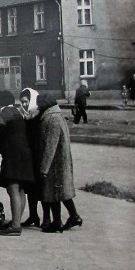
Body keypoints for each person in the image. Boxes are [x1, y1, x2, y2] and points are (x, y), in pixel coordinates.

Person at [0, 90, 35, 236]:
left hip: (14, 156)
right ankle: (16, 221)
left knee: (13, 188)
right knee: (20, 189)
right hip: (24, 155)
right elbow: (8, 133)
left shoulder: (6, 112)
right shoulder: (16, 112)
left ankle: (16, 225)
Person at [36, 94, 83, 233]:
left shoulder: (51, 119)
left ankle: (57, 222)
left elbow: (50, 145)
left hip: (55, 164)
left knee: (53, 193)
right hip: (60, 161)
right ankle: (74, 216)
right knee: (62, 192)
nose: (38, 107)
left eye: (39, 104)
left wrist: (43, 168)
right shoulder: (57, 115)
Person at [19, 88, 52, 229]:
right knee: (30, 189)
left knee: (42, 189)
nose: (24, 105)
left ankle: (46, 218)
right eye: (22, 103)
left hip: (39, 156)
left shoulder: (39, 115)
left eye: (26, 102)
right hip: (29, 157)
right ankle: (33, 216)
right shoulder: (26, 115)